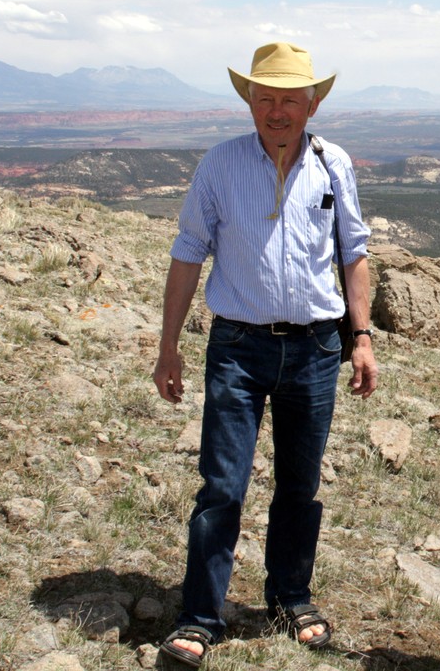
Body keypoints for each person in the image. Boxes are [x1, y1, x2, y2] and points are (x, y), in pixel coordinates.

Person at [151, 42, 377, 668]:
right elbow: (188, 253)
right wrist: (168, 347)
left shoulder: (334, 164)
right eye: (265, 98)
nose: (278, 111)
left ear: (312, 105)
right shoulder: (220, 164)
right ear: (249, 101)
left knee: (300, 486)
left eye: (290, 100)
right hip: (237, 348)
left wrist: (361, 338)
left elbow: (354, 252)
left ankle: (290, 598)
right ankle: (200, 616)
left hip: (316, 348)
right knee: (223, 485)